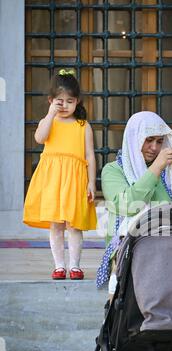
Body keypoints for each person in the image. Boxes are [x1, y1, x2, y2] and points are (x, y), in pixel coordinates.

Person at [96, 110, 172, 296]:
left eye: (160, 141)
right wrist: (155, 168)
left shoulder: (171, 172)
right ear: (134, 138)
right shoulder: (112, 171)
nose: (154, 147)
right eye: (149, 140)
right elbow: (127, 205)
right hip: (132, 246)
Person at [23, 69, 97, 280]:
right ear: (50, 100)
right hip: (53, 180)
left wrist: (91, 182)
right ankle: (59, 266)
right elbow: (39, 137)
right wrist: (50, 114)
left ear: (77, 102)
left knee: (74, 224)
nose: (64, 105)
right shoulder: (50, 122)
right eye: (59, 101)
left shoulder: (83, 126)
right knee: (56, 225)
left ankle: (75, 265)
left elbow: (90, 156)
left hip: (75, 180)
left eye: (70, 101)